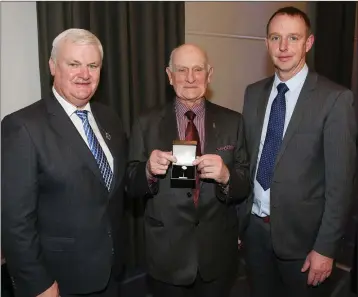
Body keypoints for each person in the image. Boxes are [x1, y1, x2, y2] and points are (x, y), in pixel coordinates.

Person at [239, 6, 357, 297]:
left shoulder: (336, 99)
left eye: (293, 38)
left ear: (309, 42)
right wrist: (239, 224)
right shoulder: (253, 93)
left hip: (305, 244)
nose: (283, 47)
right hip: (254, 233)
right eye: (275, 38)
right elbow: (248, 161)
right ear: (266, 43)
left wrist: (325, 248)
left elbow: (341, 185)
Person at [1, 28, 127, 297]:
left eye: (93, 65)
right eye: (74, 64)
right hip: (58, 282)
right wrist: (37, 284)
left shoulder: (110, 118)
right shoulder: (23, 127)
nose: (85, 74)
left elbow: (112, 191)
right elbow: (15, 221)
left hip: (111, 273)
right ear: (52, 66)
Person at [126, 43, 250, 297]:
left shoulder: (233, 122)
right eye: (182, 70)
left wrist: (226, 176)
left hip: (217, 255)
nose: (191, 78)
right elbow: (130, 184)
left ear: (210, 74)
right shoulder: (145, 123)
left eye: (197, 70)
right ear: (169, 76)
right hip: (166, 255)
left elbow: (245, 183)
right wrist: (148, 171)